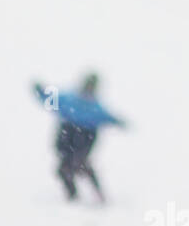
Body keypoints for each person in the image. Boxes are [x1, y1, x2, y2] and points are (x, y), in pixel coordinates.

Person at [32, 74, 126, 202]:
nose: (88, 89)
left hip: (85, 137)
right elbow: (50, 98)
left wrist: (118, 121)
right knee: (65, 167)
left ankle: (95, 194)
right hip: (67, 135)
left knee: (79, 163)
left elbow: (108, 117)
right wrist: (41, 91)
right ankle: (73, 195)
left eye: (91, 87)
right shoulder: (69, 99)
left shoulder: (95, 107)